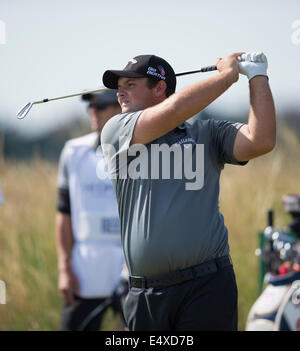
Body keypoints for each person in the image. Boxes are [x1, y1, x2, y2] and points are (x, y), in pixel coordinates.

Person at [100, 52, 276, 331]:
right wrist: (226, 77)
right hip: (145, 293)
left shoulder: (207, 132)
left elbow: (261, 140)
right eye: (119, 85)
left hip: (207, 286)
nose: (120, 92)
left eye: (130, 85)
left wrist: (257, 76)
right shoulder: (116, 130)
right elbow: (171, 112)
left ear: (160, 88)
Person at [55, 90, 126, 331]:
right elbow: (63, 214)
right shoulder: (72, 151)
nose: (93, 112)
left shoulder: (145, 149)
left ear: (119, 108)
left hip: (132, 264)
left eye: (101, 106)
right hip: (86, 266)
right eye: (91, 107)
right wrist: (64, 268)